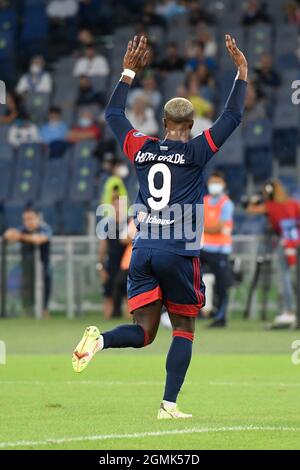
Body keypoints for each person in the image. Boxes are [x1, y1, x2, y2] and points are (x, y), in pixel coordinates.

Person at [72, 35, 247, 418]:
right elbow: (233, 117)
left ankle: (100, 339)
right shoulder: (198, 150)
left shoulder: (141, 146)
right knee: (183, 328)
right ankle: (169, 405)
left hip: (144, 248)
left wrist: (128, 71)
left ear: (165, 122)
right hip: (178, 250)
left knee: (145, 332)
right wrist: (242, 73)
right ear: (192, 123)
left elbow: (114, 115)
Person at [246, 180, 300, 328]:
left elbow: (250, 210)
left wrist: (255, 199)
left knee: (285, 278)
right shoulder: (294, 203)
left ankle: (289, 311)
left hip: (284, 243)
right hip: (297, 242)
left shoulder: (270, 206)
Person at [4, 207, 53, 319]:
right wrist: (12, 234)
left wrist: (21, 237)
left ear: (37, 218)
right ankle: (27, 312)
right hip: (26, 266)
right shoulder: (22, 229)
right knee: (26, 288)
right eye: (25, 219)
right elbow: (8, 235)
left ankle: (44, 311)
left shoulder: (44, 228)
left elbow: (40, 239)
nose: (28, 222)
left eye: (30, 219)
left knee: (45, 287)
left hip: (43, 265)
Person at [201, 171, 234, 328]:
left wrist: (202, 227)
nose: (214, 185)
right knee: (190, 277)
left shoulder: (226, 203)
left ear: (223, 184)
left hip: (220, 250)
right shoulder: (205, 201)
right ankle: (198, 311)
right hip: (203, 248)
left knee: (222, 285)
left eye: (217, 182)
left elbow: (219, 227)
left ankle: (221, 317)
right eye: (212, 181)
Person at [98, 194, 127, 319]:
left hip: (126, 265)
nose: (118, 208)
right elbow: (102, 248)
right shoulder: (107, 225)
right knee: (108, 295)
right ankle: (108, 319)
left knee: (128, 296)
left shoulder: (130, 223)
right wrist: (101, 267)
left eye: (120, 205)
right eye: (116, 205)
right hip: (112, 264)